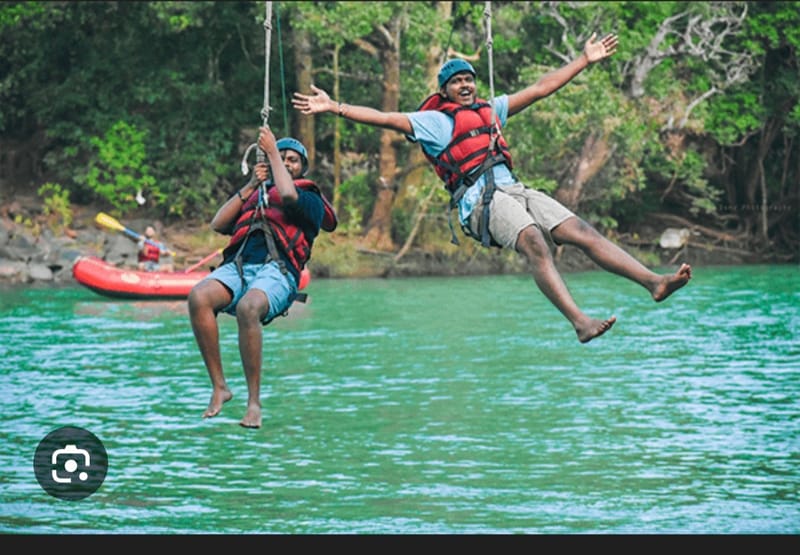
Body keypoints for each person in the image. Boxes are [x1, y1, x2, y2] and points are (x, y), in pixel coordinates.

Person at [293, 32, 691, 344]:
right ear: (445, 89)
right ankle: (580, 322)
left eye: (469, 80)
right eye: (457, 82)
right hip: (479, 203)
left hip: (515, 190)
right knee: (534, 241)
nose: (466, 86)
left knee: (580, 231)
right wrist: (335, 107)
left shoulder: (491, 110)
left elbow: (539, 89)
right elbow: (385, 118)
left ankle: (653, 282)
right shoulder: (435, 123)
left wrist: (583, 61)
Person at [187, 127, 337, 428]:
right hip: (241, 266)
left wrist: (271, 153)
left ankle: (254, 402)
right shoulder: (256, 195)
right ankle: (220, 387)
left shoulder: (309, 198)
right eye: (282, 157)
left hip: (278, 271)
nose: (287, 162)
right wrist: (252, 183)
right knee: (198, 296)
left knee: (249, 307)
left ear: (301, 167)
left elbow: (288, 194)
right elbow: (218, 223)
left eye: (293, 160)